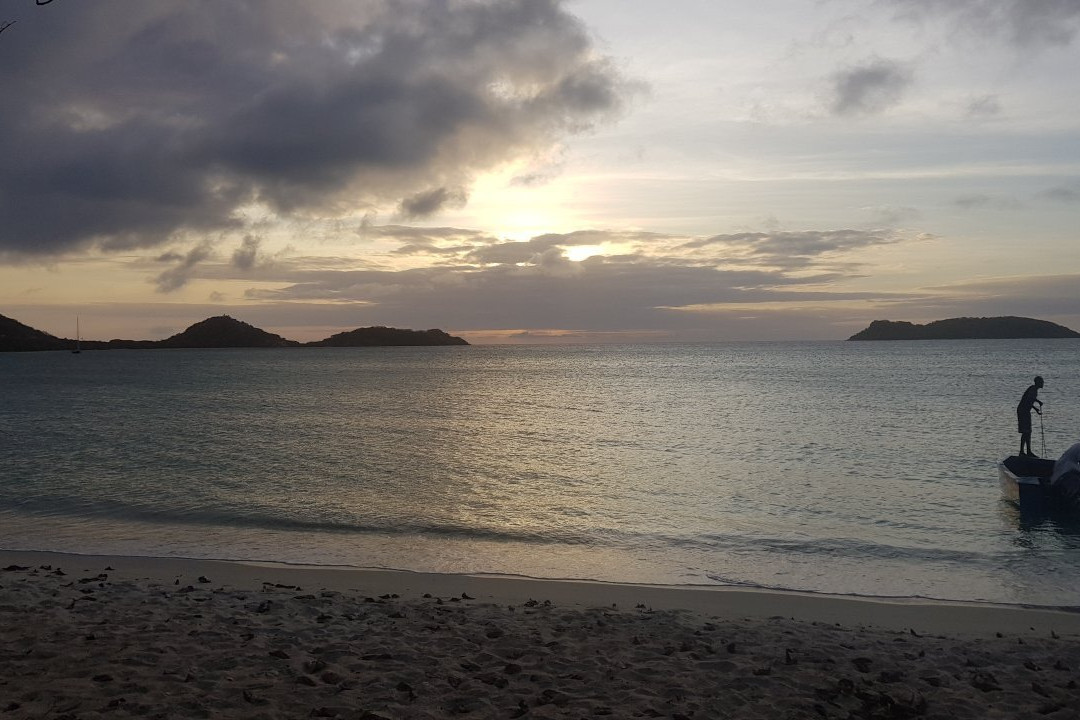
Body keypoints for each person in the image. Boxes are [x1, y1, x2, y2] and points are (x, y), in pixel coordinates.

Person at [1016, 376, 1044, 457]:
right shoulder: (1033, 389)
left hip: (1025, 411)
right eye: (1041, 382)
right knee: (1026, 431)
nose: (1043, 383)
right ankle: (1022, 451)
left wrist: (1038, 401)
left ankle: (1028, 451)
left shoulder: (1033, 389)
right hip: (1023, 411)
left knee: (1028, 431)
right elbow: (1028, 401)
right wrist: (1036, 409)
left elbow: (1030, 398)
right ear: (1038, 382)